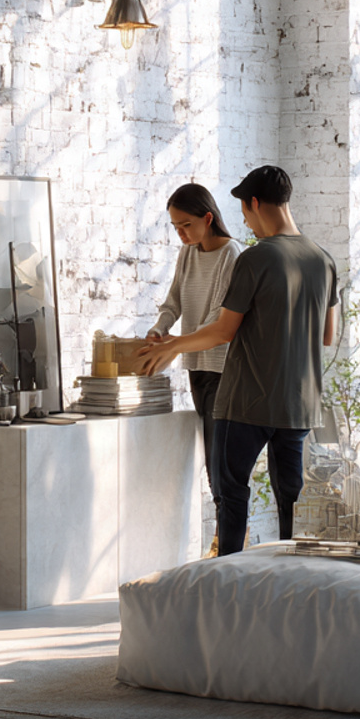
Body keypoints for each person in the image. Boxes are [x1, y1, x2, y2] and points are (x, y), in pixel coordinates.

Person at [138, 166, 337, 556]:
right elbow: (327, 335)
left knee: (230, 494)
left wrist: (172, 345)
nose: (245, 221)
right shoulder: (323, 259)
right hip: (298, 404)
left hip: (246, 401)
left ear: (255, 203)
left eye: (245, 212)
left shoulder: (255, 258)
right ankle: (290, 579)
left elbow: (223, 331)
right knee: (291, 498)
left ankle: (227, 579)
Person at [145, 183, 240, 548]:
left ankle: (225, 547)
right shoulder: (188, 253)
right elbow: (173, 301)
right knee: (213, 462)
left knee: (220, 467)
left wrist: (174, 345)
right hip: (197, 367)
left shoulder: (232, 254)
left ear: (208, 218)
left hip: (223, 369)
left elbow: (219, 319)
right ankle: (224, 545)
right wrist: (159, 330)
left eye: (186, 225)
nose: (181, 234)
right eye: (175, 227)